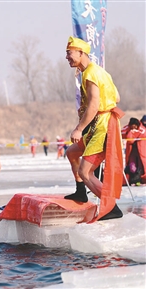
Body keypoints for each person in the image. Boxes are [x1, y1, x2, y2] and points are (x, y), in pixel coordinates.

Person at [63, 36, 124, 221]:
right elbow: (117, 97)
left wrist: (78, 129)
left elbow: (94, 105)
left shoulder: (90, 73)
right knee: (72, 153)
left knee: (85, 172)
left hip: (102, 126)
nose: (67, 57)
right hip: (97, 124)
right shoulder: (99, 72)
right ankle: (81, 193)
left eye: (69, 53)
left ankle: (112, 208)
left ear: (81, 53)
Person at [121, 117, 146, 185]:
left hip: (141, 150)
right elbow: (122, 134)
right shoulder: (127, 129)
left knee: (142, 166)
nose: (133, 127)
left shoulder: (142, 130)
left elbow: (143, 134)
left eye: (135, 126)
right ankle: (133, 179)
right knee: (132, 166)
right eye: (132, 126)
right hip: (132, 151)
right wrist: (130, 133)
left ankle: (141, 179)